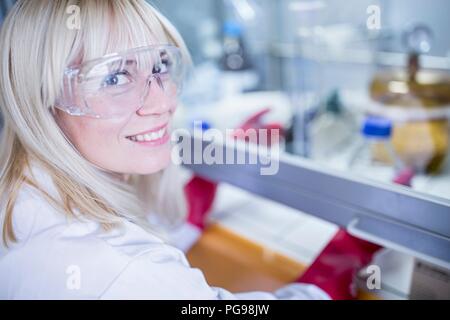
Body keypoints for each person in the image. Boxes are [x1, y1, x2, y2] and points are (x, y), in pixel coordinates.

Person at [0, 0, 332, 299]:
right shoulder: (127, 271)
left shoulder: (27, 198)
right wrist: (337, 266)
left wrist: (222, 160)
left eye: (159, 66)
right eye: (114, 77)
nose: (164, 102)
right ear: (40, 98)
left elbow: (160, 225)